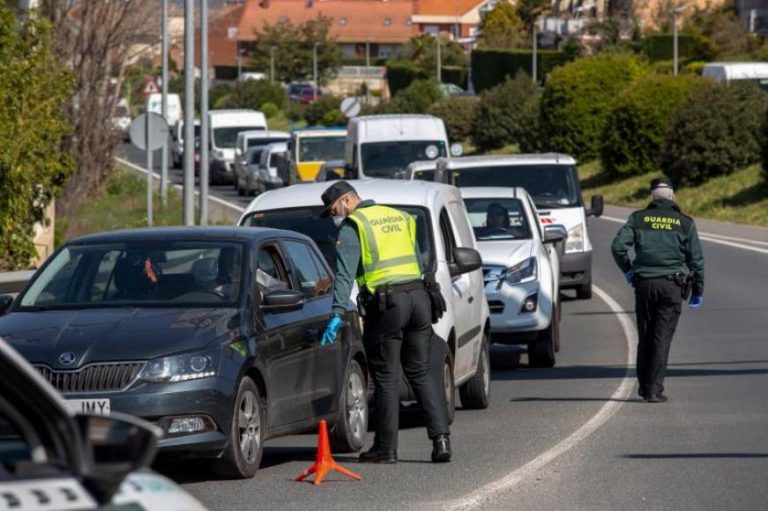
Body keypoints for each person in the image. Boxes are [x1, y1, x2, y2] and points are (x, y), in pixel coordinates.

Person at [318, 181, 451, 464]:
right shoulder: (398, 216)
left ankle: (386, 448)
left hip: (388, 305)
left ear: (346, 201)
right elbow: (416, 259)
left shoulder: (354, 226)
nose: (335, 216)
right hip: (419, 299)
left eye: (334, 210)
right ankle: (441, 441)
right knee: (421, 371)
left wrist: (336, 314)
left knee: (386, 376)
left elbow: (344, 276)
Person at [611, 177, 705, 403]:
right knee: (661, 338)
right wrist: (698, 291)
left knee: (645, 336)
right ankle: (654, 390)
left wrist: (628, 270)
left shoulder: (638, 218)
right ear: (672, 195)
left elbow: (617, 247)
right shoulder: (685, 223)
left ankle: (644, 387)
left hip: (644, 285)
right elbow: (697, 261)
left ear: (652, 196)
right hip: (672, 286)